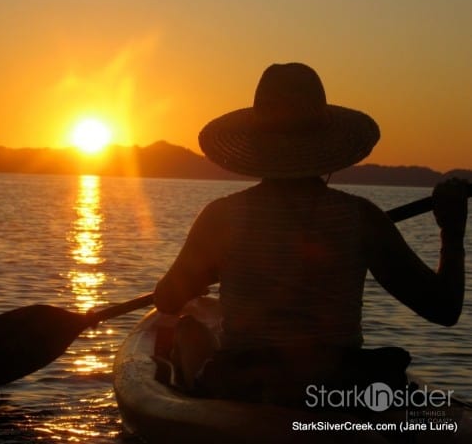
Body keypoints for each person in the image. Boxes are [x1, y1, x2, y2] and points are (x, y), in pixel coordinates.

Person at [153, 63, 468, 405]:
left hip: (247, 388)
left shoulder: (220, 218)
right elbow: (443, 308)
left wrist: (199, 276)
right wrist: (451, 232)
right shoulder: (361, 217)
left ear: (258, 144)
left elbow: (166, 300)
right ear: (325, 143)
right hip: (339, 391)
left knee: (186, 331)